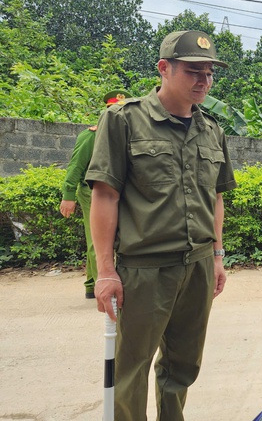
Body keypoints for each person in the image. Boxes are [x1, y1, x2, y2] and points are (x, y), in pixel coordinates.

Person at [85, 30, 237, 421]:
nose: (204, 81)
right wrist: (105, 271)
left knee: (183, 365)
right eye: (193, 71)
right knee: (131, 368)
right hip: (145, 269)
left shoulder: (212, 130)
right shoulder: (124, 120)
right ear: (164, 68)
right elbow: (105, 195)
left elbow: (215, 198)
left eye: (209, 73)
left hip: (198, 266)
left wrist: (217, 256)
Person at [59, 90, 130, 299]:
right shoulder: (91, 136)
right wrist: (68, 195)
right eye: (112, 111)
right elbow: (75, 167)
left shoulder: (129, 135)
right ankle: (103, 287)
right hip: (92, 192)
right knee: (98, 240)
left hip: (120, 193)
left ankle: (91, 284)